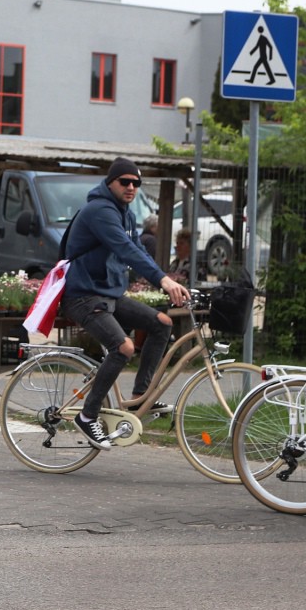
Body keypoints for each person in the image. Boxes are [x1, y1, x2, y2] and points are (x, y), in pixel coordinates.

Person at [61, 157, 189, 451]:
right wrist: (163, 280)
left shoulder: (125, 214)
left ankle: (141, 397)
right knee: (124, 348)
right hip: (83, 296)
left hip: (109, 296)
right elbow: (127, 250)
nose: (131, 187)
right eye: (125, 182)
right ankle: (87, 414)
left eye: (136, 183)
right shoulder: (100, 211)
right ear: (110, 183)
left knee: (162, 324)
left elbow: (130, 255)